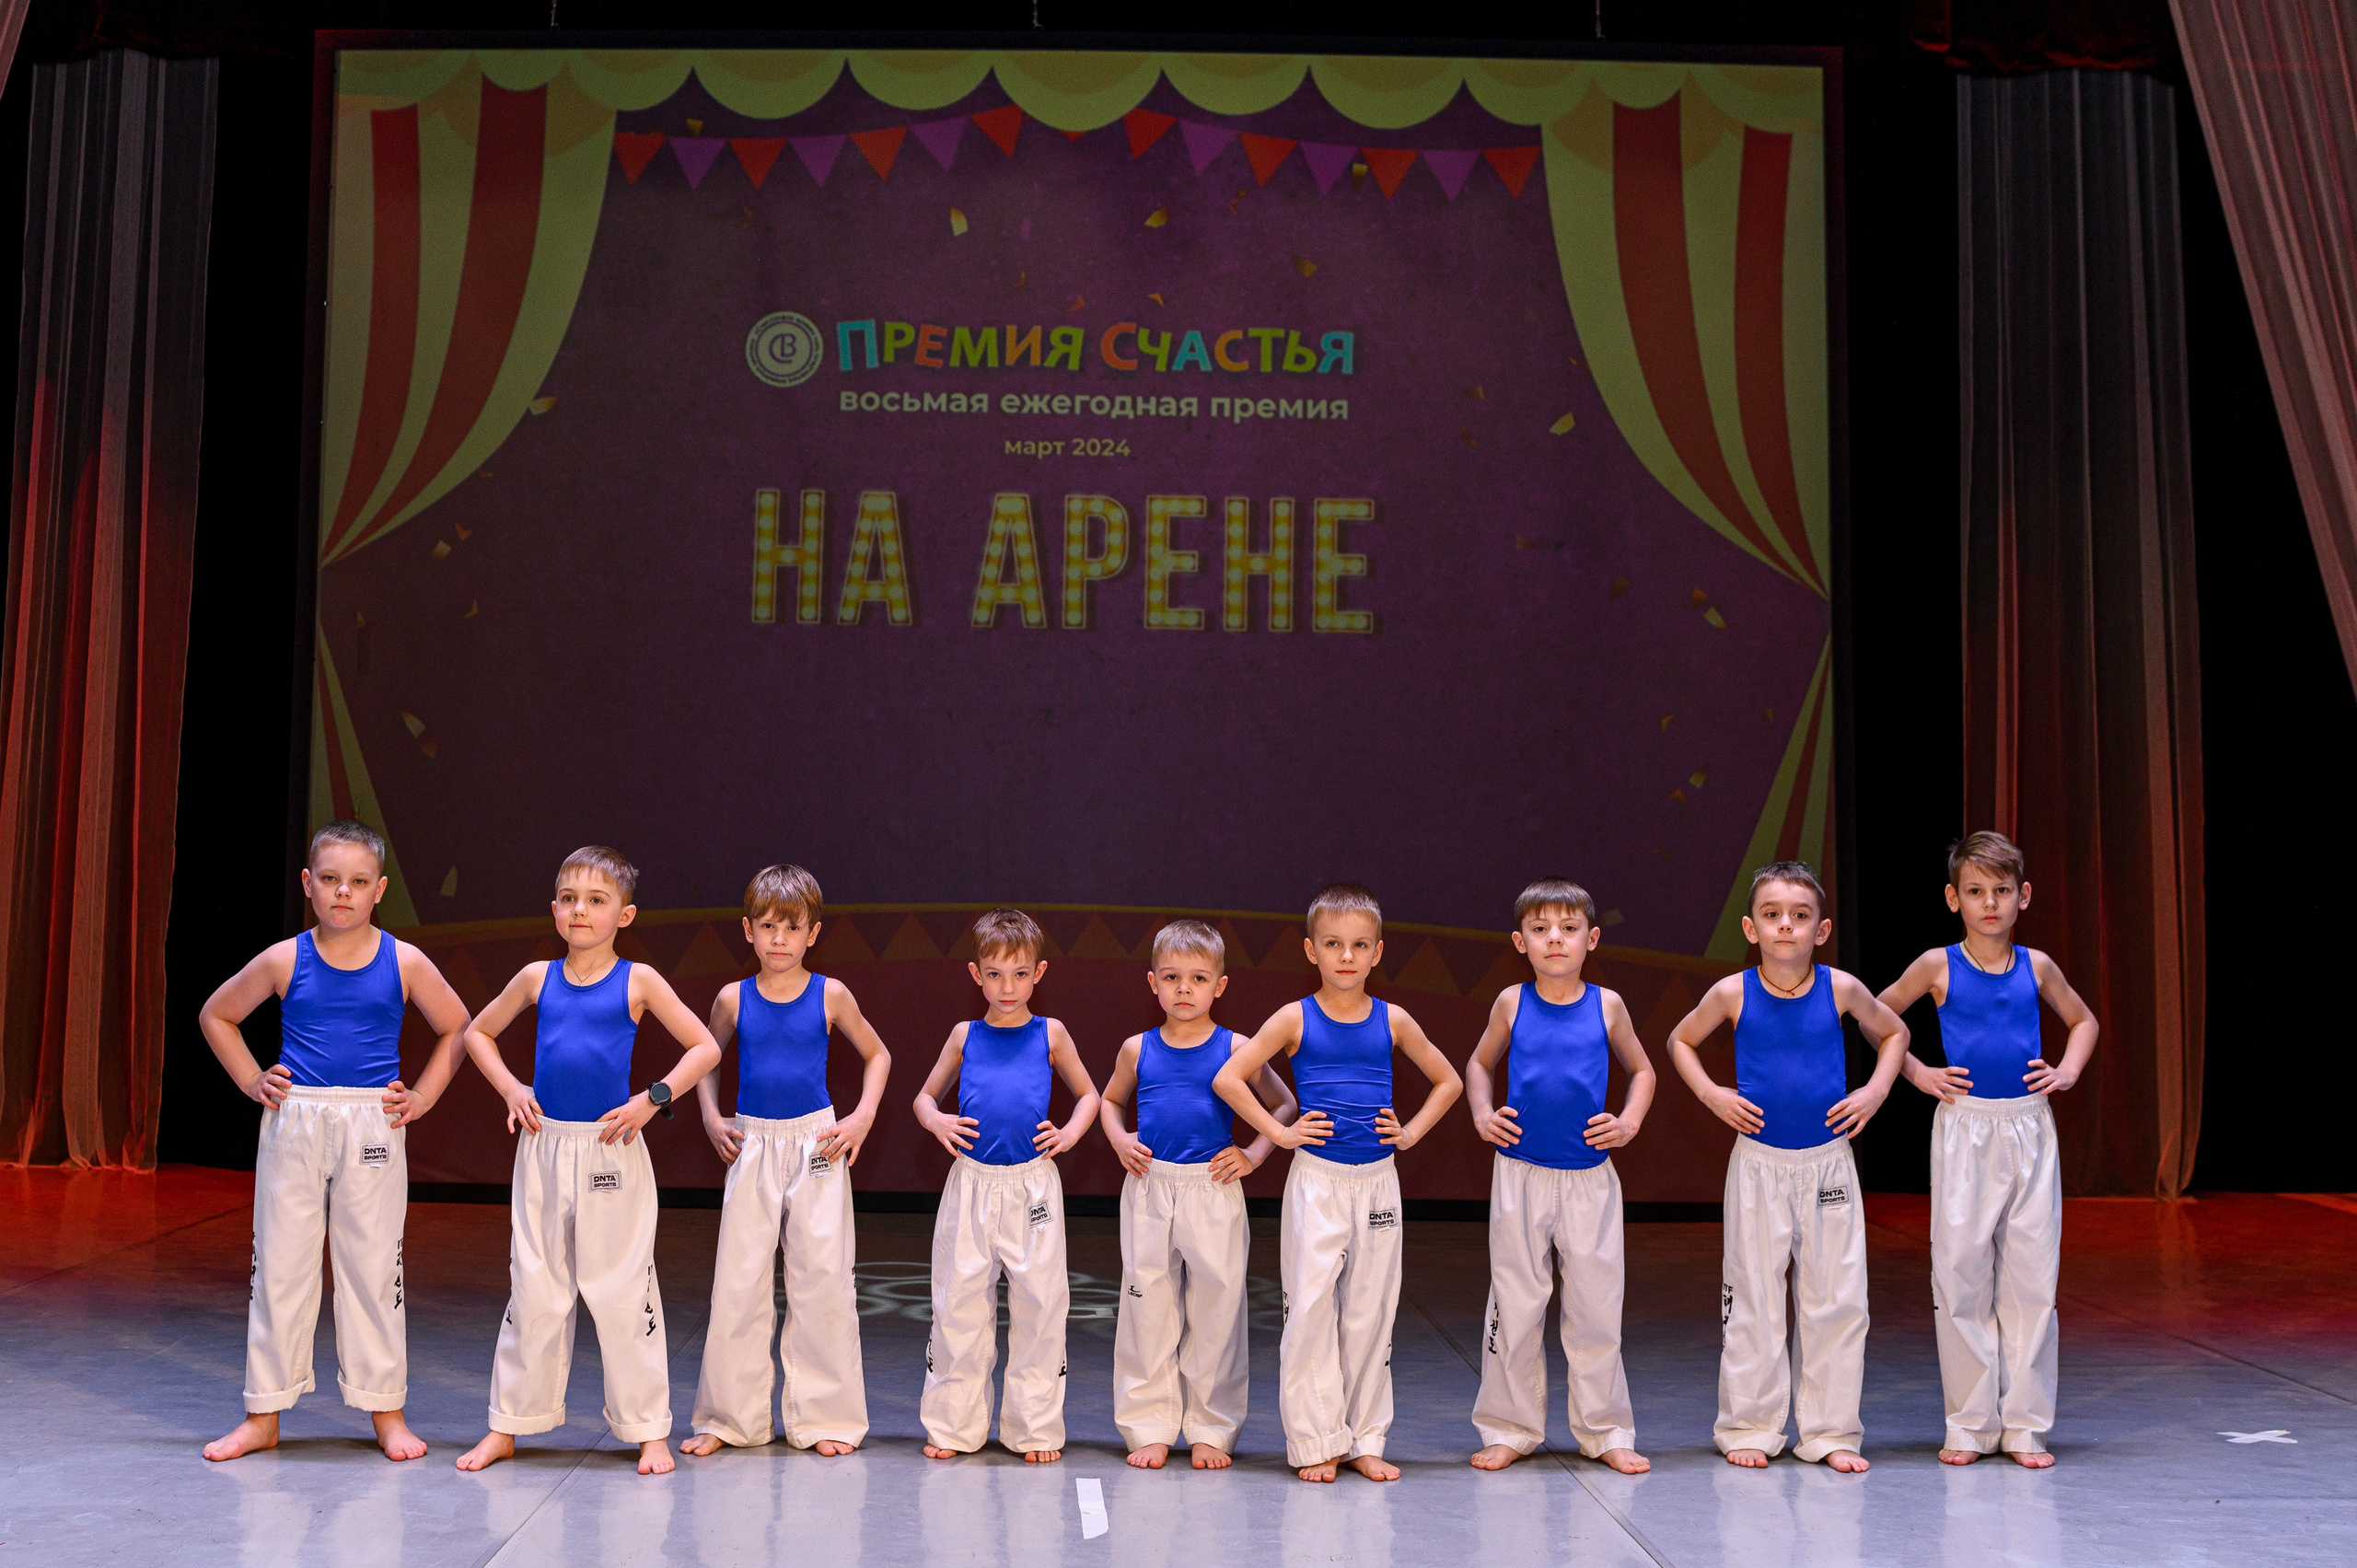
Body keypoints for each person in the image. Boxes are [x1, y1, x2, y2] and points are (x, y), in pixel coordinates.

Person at [196, 819, 472, 1463]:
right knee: (281, 1268)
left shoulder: (403, 959)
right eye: (329, 880)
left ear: (379, 889)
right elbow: (217, 1013)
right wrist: (249, 1077)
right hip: (297, 1118)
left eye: (356, 882)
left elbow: (456, 1025)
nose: (342, 893)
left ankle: (387, 1410)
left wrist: (424, 1096)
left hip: (371, 1121)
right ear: (308, 885)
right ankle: (263, 1411)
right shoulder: (285, 957)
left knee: (373, 1268)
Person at [453, 846, 722, 1476]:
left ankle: (648, 1429)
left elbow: (704, 1047)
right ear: (553, 909)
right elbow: (476, 1033)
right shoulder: (534, 977)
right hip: (544, 1146)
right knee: (535, 1284)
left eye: (596, 900)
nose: (580, 909)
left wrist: (651, 1101)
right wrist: (513, 1089)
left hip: (610, 1149)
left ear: (624, 914)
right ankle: (509, 1423)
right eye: (569, 898)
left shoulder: (639, 980)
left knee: (623, 1288)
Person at [1214, 882, 1463, 1483]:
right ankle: (1315, 1439)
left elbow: (1448, 1081)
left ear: (1378, 952)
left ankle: (1365, 1437)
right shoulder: (1293, 1017)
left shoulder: (1394, 1019)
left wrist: (1410, 1133)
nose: (1345, 956)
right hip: (1317, 1182)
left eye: (1358, 945)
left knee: (1371, 1310)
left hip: (1377, 1181)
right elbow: (1229, 1078)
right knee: (1311, 1308)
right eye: (1333, 943)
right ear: (1311, 949)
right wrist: (1279, 1133)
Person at [1666, 860, 1909, 1473]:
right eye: (1772, 915)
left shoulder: (1842, 988)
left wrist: (1875, 1092)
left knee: (1836, 1296)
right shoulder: (1732, 992)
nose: (1786, 927)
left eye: (1800, 917)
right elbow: (1680, 1041)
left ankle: (1830, 1431)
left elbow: (1895, 1033)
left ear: (1821, 929)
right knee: (1753, 1295)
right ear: (1751, 927)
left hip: (1828, 1162)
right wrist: (1713, 1095)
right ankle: (1750, 1423)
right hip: (1759, 1164)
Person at [1877, 830, 2098, 1469]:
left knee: (2032, 1276)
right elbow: (1876, 1015)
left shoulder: (2039, 965)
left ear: (2022, 895)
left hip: (2029, 1126)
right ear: (1954, 898)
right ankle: (1970, 1422)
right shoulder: (1936, 964)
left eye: (2002, 890)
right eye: (1976, 891)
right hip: (1965, 1126)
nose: (1990, 903)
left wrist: (2068, 1071)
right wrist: (1919, 1074)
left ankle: (2026, 1423)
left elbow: (2083, 1020)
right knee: (1961, 1271)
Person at [682, 864, 891, 1458]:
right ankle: (730, 1417)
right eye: (768, 926)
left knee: (822, 1279)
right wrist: (710, 1114)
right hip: (751, 1143)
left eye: (792, 927)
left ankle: (827, 1416)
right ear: (748, 930)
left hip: (817, 1144)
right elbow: (704, 1056)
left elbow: (878, 1055)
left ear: (813, 933)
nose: (779, 939)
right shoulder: (731, 997)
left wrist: (862, 1116)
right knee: (739, 1280)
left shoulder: (832, 994)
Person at [1463, 878, 1656, 1475]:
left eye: (1569, 928)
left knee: (1596, 1306)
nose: (1555, 939)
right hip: (1520, 1172)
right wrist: (1480, 1111)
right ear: (1520, 940)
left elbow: (1643, 1069)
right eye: (1542, 928)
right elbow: (1477, 1062)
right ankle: (1510, 1426)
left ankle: (1605, 1429)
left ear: (1590, 938)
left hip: (1589, 1177)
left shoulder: (1609, 1004)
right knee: (1516, 1302)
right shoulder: (1510, 1002)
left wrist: (1628, 1120)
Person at [1098, 919, 1299, 1470]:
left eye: (1197, 978)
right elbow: (1110, 1103)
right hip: (1150, 1186)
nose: (1184, 989)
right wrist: (1119, 1140)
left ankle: (1213, 1425)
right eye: (1171, 977)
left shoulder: (1236, 1047)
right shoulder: (1136, 1049)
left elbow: (1284, 1107)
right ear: (1152, 983)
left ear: (1220, 985)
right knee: (1148, 1309)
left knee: (1217, 1311)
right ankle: (1149, 1423)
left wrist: (1254, 1154)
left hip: (1213, 1188)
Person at [912, 908, 1102, 1462]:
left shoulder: (1053, 1033)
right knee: (959, 1305)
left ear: (1039, 972)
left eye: (1019, 974)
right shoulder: (963, 1035)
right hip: (970, 1184)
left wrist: (1069, 1132)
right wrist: (937, 1120)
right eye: (995, 974)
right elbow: (924, 1097)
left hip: (1033, 1187)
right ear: (976, 975)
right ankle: (953, 1428)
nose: (1008, 986)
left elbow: (1090, 1095)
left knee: (1041, 1306)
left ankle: (1034, 1429)